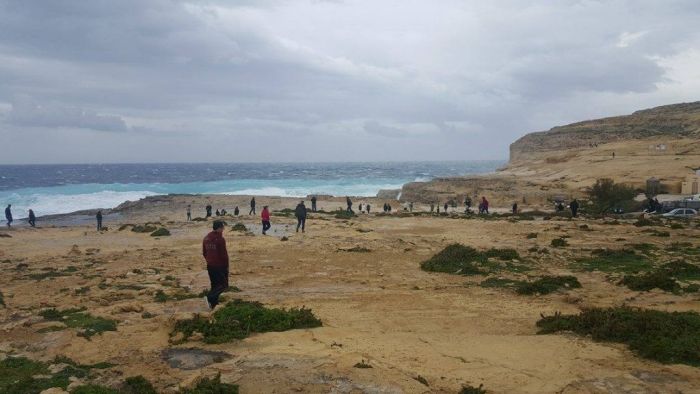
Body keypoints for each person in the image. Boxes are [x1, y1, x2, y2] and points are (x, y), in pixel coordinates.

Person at [202, 220, 229, 310]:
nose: (223, 229)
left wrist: (209, 261)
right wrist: (226, 267)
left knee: (214, 285)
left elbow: (204, 253)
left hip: (210, 265)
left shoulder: (206, 238)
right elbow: (223, 255)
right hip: (219, 266)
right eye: (222, 228)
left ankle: (214, 305)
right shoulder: (220, 239)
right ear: (219, 228)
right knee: (223, 285)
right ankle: (210, 298)